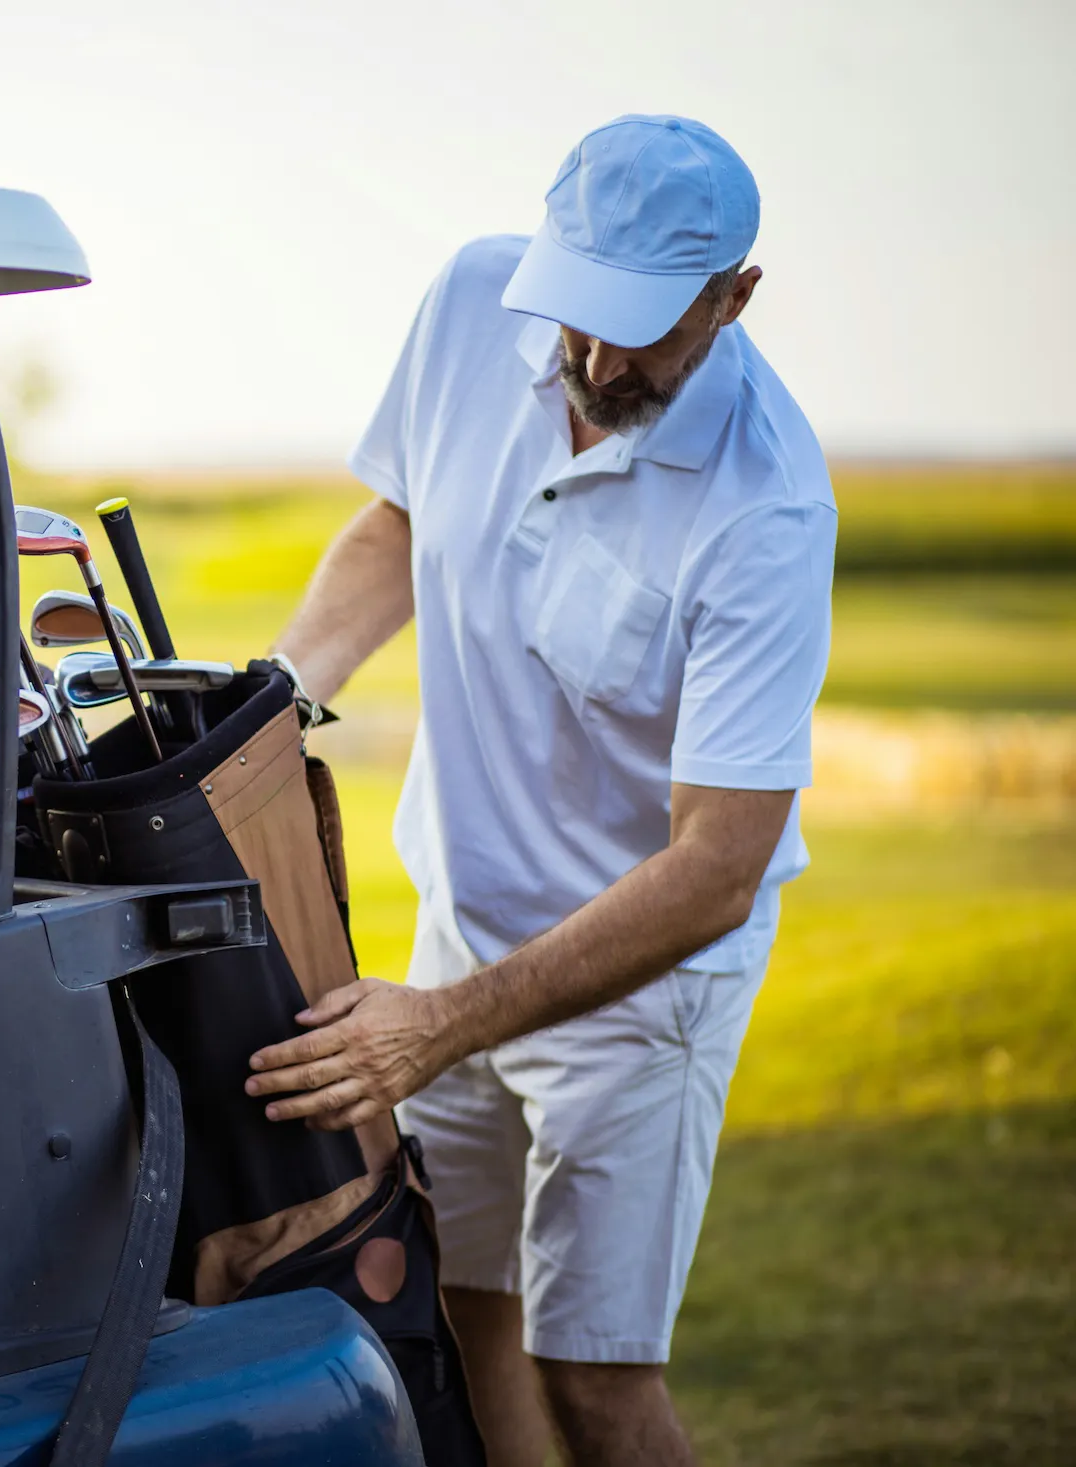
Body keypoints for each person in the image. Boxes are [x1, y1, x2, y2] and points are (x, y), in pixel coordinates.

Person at [257, 117, 835, 1467]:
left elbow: (717, 865)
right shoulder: (472, 297)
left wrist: (438, 1026)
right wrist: (279, 698)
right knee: (463, 1310)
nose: (598, 361)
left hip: (640, 994)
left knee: (596, 1383)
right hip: (462, 929)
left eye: (646, 329)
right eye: (581, 314)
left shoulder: (765, 505)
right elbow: (399, 519)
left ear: (735, 297)